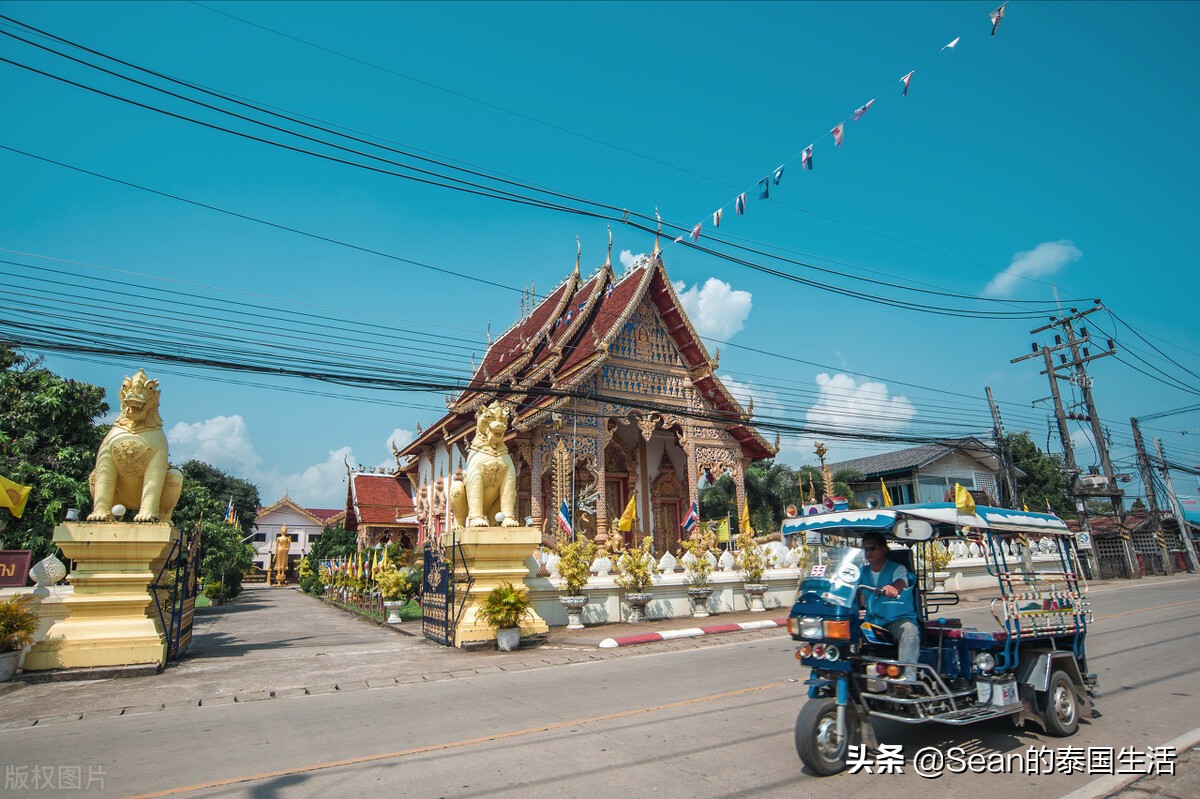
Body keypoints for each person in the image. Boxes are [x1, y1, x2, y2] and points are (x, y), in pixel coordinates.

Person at [857, 531, 920, 681]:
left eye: (872, 548)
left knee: (909, 632)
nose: (868, 552)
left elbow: (901, 581)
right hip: (872, 621)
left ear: (884, 549)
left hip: (897, 620)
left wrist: (893, 588)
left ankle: (907, 679)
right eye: (865, 549)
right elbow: (851, 589)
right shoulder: (862, 572)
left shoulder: (897, 568)